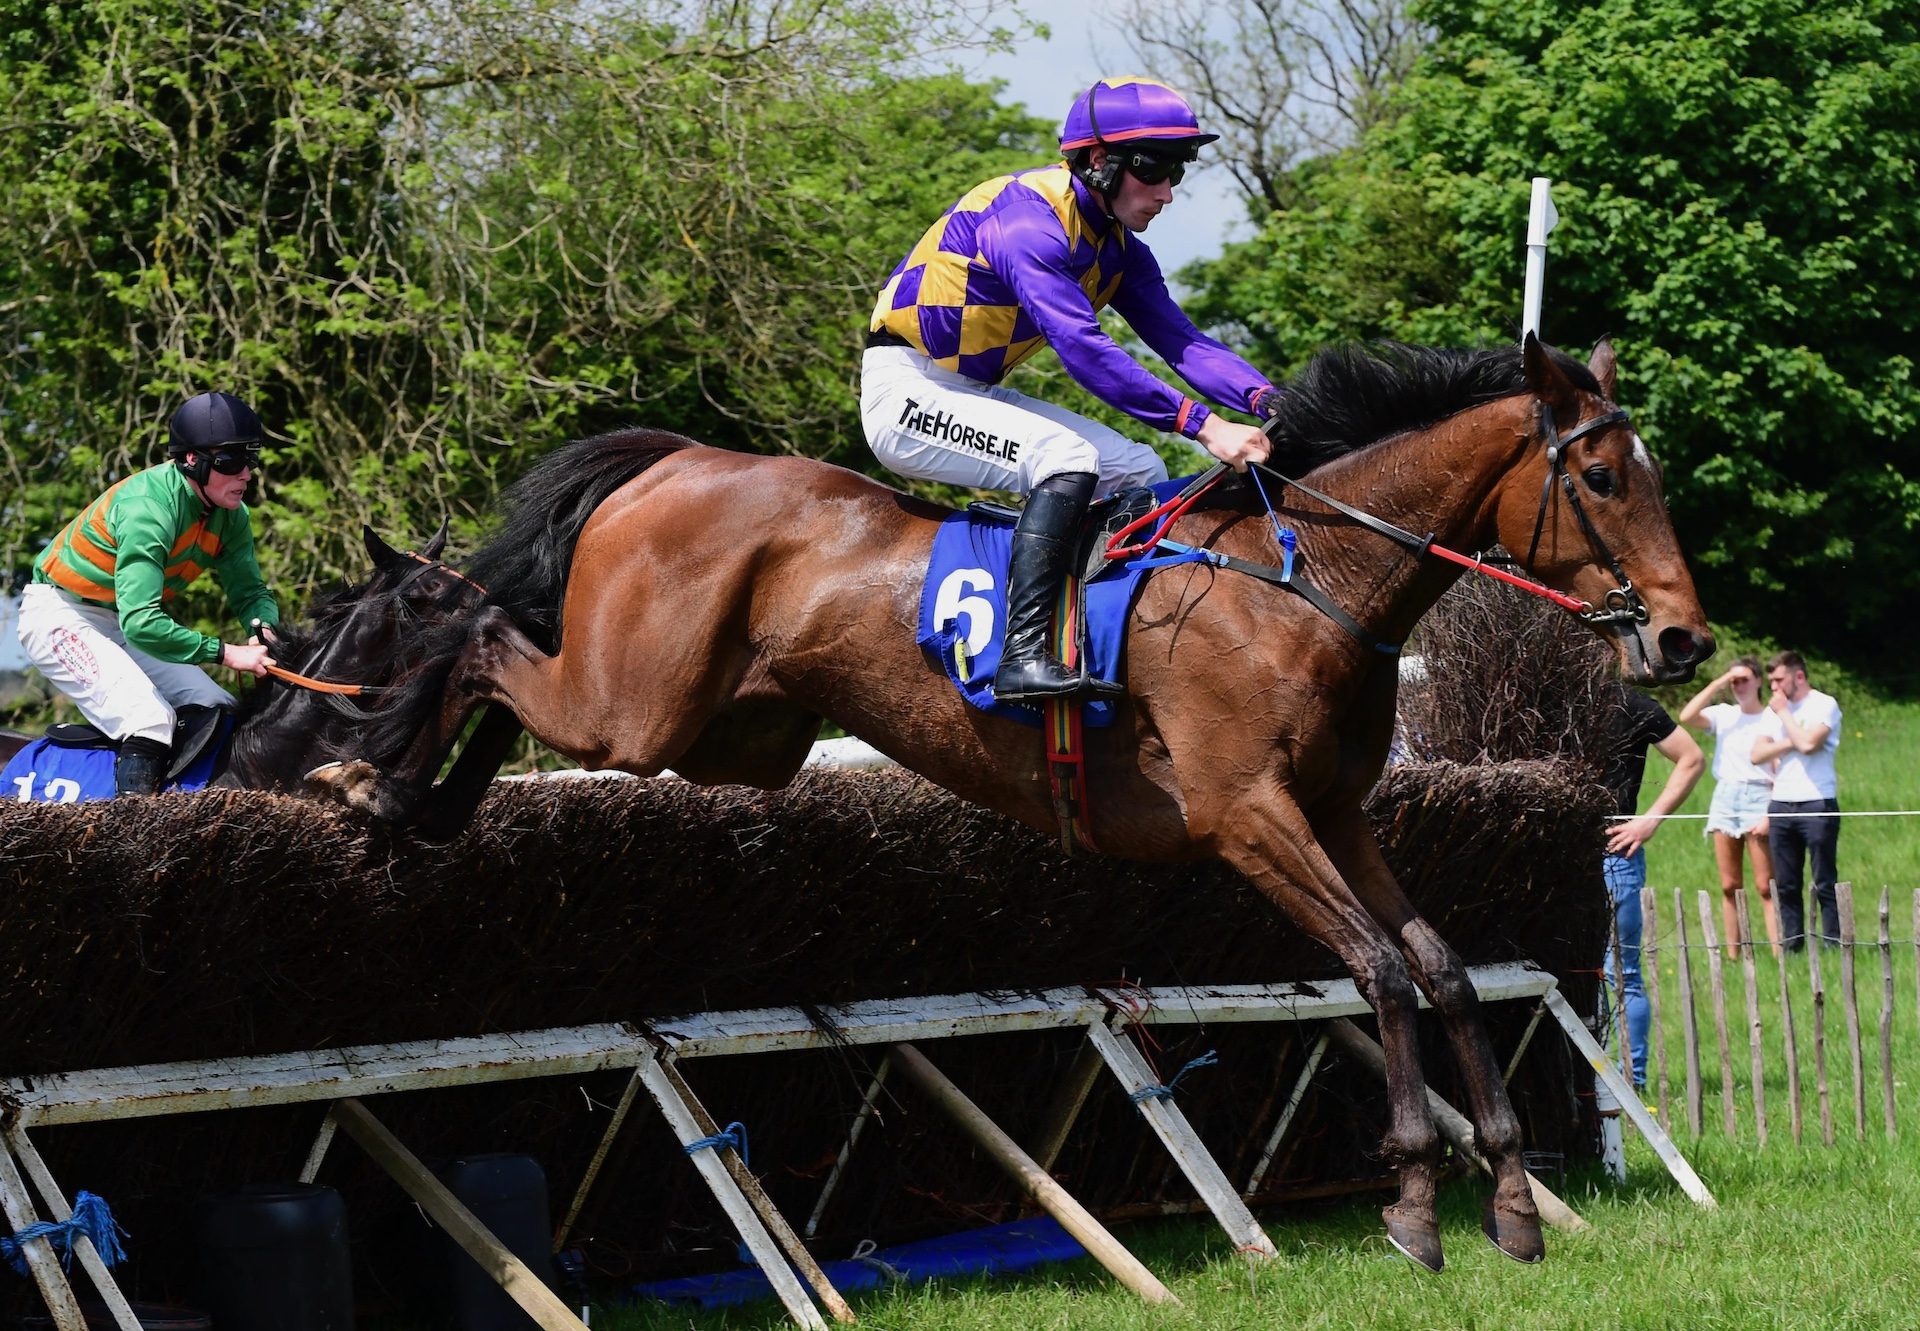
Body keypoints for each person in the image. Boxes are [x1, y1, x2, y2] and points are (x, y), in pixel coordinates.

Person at [861, 76, 1278, 702]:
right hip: (907, 394)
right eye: (1153, 170)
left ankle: (1099, 635)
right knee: (1068, 458)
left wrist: (1268, 401)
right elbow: (1084, 349)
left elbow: (1184, 343)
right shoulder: (1028, 221)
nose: (1166, 193)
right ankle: (1021, 654)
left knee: (1137, 466)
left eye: (1177, 173)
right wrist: (1207, 426)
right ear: (1098, 160)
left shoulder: (1118, 250)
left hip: (969, 391)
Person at [16, 391, 280, 795]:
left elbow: (250, 594)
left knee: (221, 709)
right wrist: (228, 653)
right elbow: (142, 624)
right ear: (193, 461)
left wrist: (264, 631)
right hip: (60, 614)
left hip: (119, 619)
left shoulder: (231, 515)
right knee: (148, 719)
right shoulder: (148, 509)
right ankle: (131, 843)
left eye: (251, 459)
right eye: (232, 462)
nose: (246, 474)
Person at [1598, 683, 1704, 1086]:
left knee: (1621, 972)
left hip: (1614, 854)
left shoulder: (1630, 702)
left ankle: (1631, 1081)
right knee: (1571, 970)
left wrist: (1651, 819)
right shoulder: (1548, 695)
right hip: (1560, 857)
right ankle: (1587, 1076)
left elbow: (1691, 758)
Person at [1678, 655, 1779, 958]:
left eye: (1745, 679)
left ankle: (1778, 951)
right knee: (1729, 883)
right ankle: (1734, 953)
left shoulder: (1772, 717)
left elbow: (1780, 766)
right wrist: (1720, 681)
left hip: (1760, 794)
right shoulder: (1724, 714)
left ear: (1759, 681)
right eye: (1735, 681)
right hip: (1725, 796)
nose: (1739, 686)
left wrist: (1771, 812)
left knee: (1765, 884)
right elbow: (1688, 716)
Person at [1750, 651, 1842, 949]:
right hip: (1781, 804)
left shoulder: (1824, 705)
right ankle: (1793, 947)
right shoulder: (1771, 712)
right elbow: (1756, 755)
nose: (1774, 687)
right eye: (1772, 681)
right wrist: (1793, 740)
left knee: (1824, 880)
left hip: (1817, 801)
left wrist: (1787, 720)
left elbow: (1809, 745)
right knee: (1787, 884)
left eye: (1779, 680)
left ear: (1798, 676)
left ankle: (1832, 943)